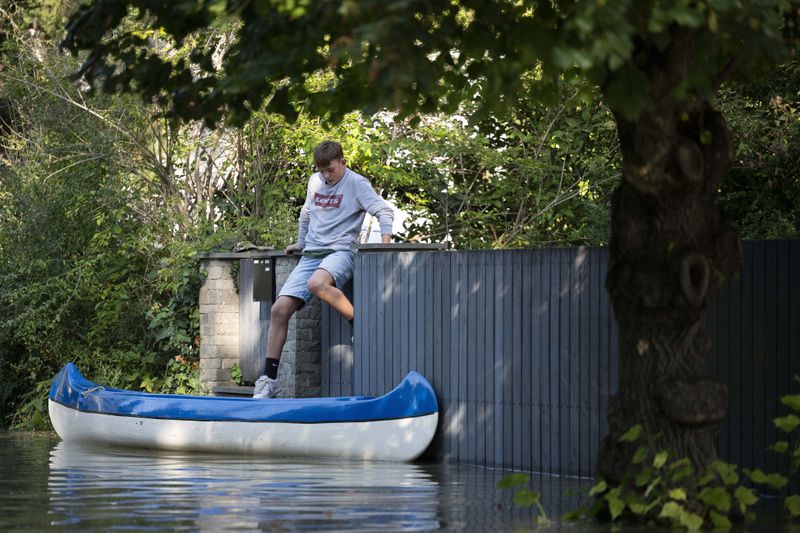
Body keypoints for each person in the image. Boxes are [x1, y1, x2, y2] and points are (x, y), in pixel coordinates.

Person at [253, 140, 394, 398]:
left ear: (342, 162)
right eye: (322, 171)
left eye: (330, 170)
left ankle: (359, 327)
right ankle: (269, 380)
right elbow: (306, 214)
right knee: (278, 309)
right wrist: (301, 242)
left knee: (317, 284)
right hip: (311, 254)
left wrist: (384, 246)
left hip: (341, 251)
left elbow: (383, 212)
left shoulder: (356, 183)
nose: (326, 176)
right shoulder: (315, 181)